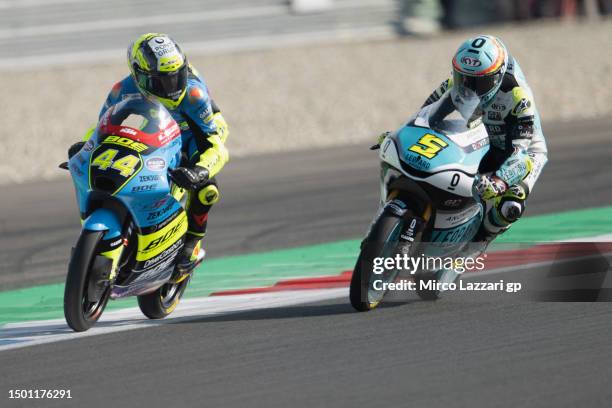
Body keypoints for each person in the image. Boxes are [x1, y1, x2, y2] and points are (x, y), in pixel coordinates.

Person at [68, 33, 229, 279]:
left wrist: (201, 170)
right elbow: (102, 126)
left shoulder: (193, 95)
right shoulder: (123, 89)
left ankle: (191, 245)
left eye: (177, 76)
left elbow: (216, 145)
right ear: (139, 75)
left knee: (207, 189)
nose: (172, 87)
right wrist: (86, 147)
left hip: (192, 135)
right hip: (153, 133)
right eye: (162, 81)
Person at [416, 34, 548, 247]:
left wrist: (500, 182)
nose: (470, 88)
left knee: (510, 206)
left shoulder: (518, 97)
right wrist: (405, 132)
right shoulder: (454, 83)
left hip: (523, 151)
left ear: (497, 76)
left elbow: (522, 157)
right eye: (464, 79)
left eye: (481, 82)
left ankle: (474, 247)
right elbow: (424, 114)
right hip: (484, 139)